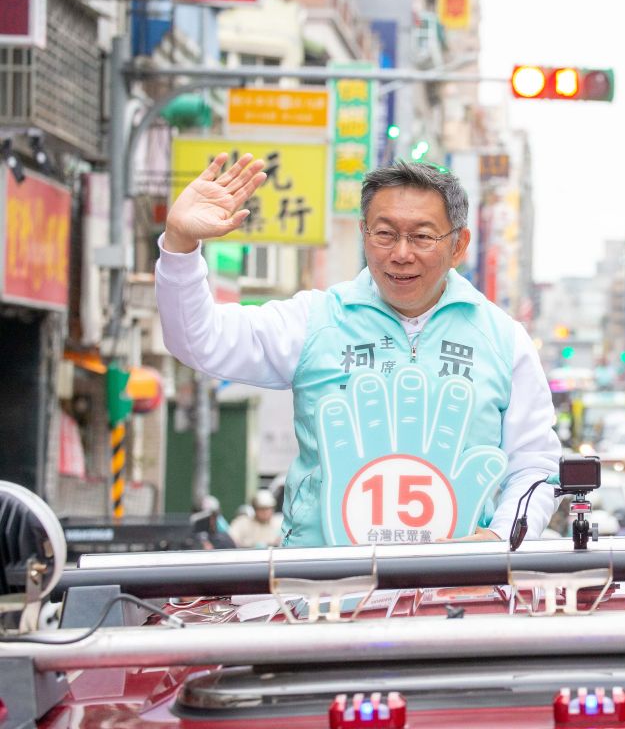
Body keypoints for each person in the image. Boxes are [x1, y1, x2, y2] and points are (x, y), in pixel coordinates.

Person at [156, 154, 560, 546]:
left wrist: (499, 538)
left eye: (421, 236)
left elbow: (534, 464)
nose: (401, 253)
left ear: (458, 245)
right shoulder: (314, 320)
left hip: (452, 592)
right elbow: (198, 339)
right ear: (364, 233)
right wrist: (180, 244)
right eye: (385, 234)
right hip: (324, 591)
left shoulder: (503, 340)